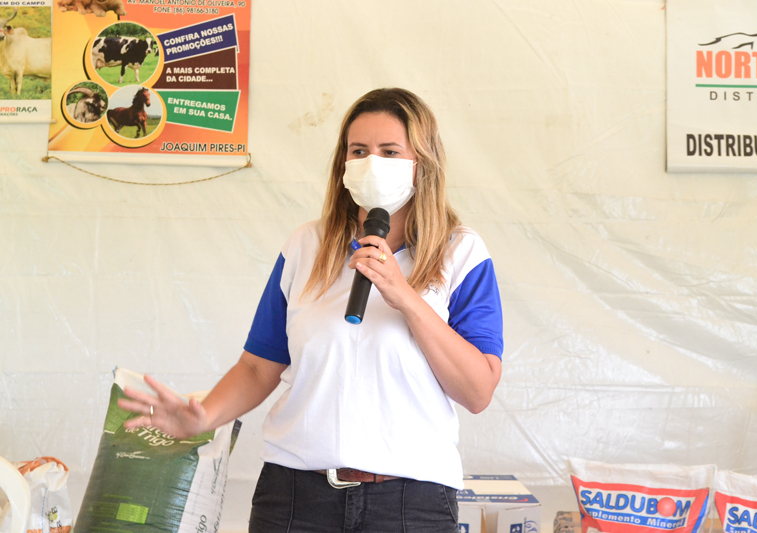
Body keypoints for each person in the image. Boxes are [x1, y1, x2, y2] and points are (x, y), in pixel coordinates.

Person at [118, 87, 504, 533]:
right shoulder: (306, 246)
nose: (371, 163)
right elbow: (258, 366)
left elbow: (477, 391)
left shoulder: (461, 253)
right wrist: (204, 416)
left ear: (423, 162)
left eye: (389, 151)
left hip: (410, 503)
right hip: (295, 498)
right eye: (358, 151)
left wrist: (405, 298)